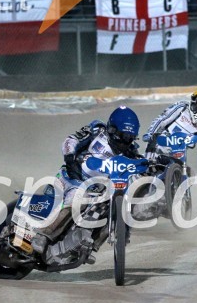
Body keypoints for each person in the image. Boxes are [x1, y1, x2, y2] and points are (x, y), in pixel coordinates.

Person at [51, 106, 144, 265]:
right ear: (113, 130)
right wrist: (70, 158)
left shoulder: (130, 150)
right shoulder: (96, 130)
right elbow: (70, 140)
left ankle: (90, 246)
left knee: (115, 209)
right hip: (72, 177)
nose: (126, 141)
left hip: (98, 191)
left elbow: (141, 164)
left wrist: (155, 166)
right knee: (76, 198)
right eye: (124, 136)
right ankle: (43, 235)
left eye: (130, 137)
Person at [142, 87, 197, 157]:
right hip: (160, 144)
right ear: (193, 103)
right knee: (148, 161)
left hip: (178, 154)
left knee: (187, 169)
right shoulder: (182, 107)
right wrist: (150, 133)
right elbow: (162, 119)